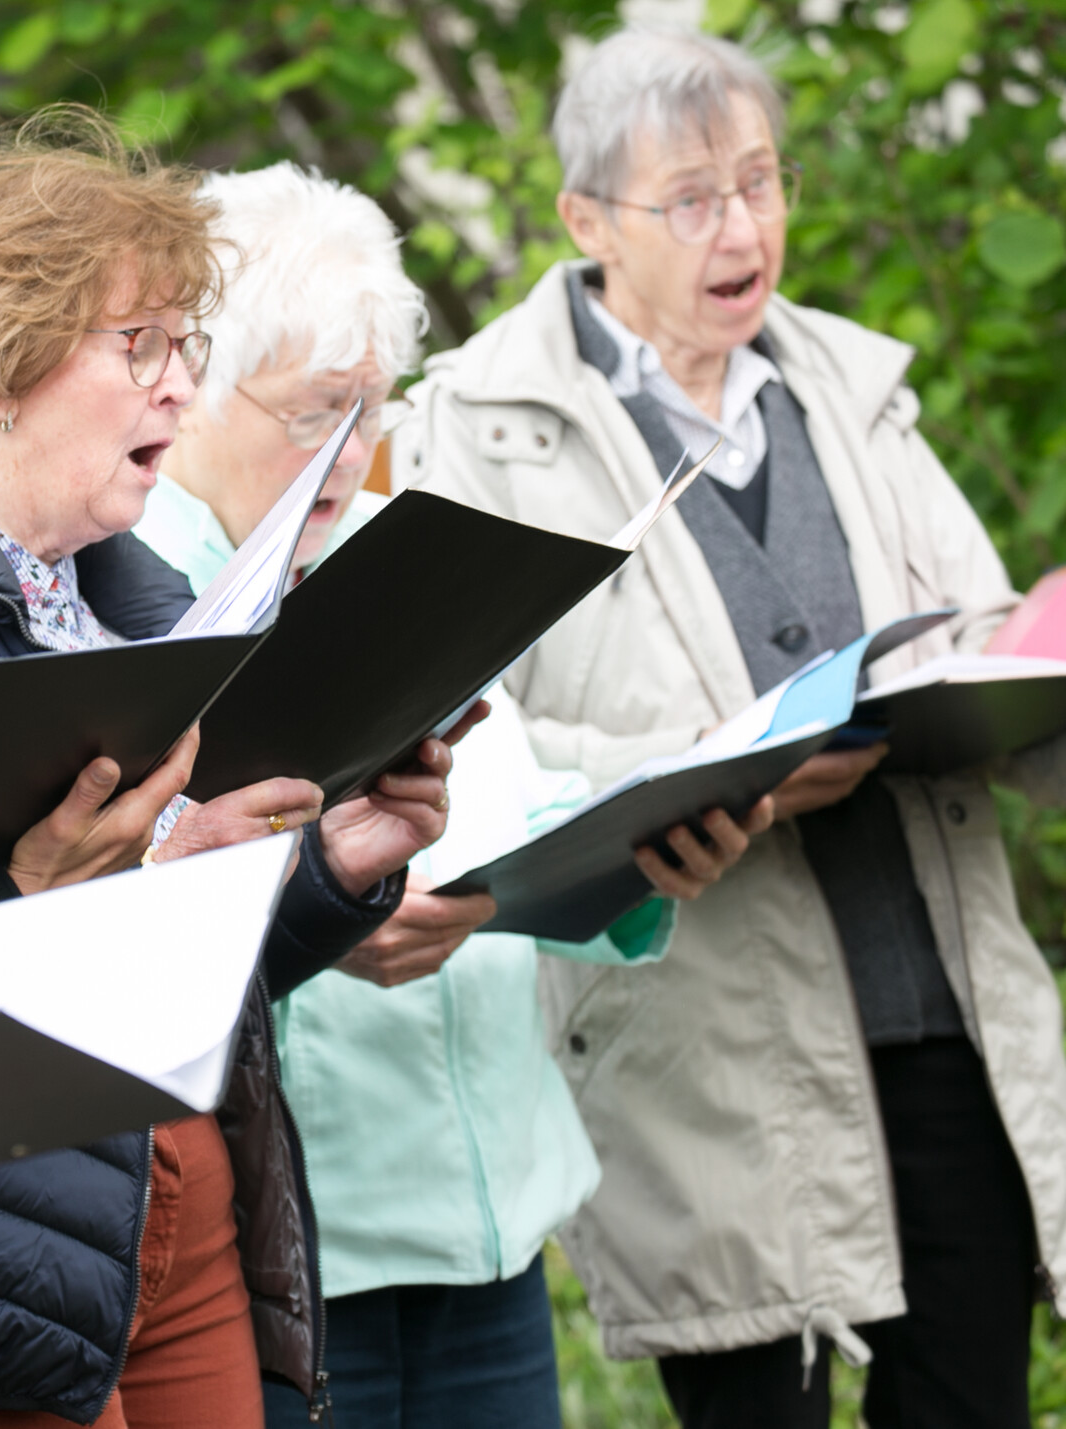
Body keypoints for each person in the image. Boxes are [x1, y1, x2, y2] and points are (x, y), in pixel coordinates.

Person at [0, 107, 464, 1429]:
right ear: (5, 361)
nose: (180, 385)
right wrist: (73, 891)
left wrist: (331, 874)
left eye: (186, 346)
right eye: (143, 346)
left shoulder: (154, 595)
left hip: (188, 1192)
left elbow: (182, 969)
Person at [401, 26, 1066, 1428]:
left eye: (762, 182)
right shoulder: (482, 426)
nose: (743, 226)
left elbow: (981, 623)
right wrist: (701, 768)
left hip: (943, 1007)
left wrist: (1014, 681)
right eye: (692, 197)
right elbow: (470, 740)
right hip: (707, 1044)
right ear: (588, 220)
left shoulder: (848, 383)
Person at [139, 159, 772, 1429]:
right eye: (316, 409)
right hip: (312, 1235)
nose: (350, 451)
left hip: (488, 1221)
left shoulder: (393, 549)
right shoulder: (148, 601)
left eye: (372, 408)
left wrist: (633, 857)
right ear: (199, 384)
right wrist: (326, 917)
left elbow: (513, 806)